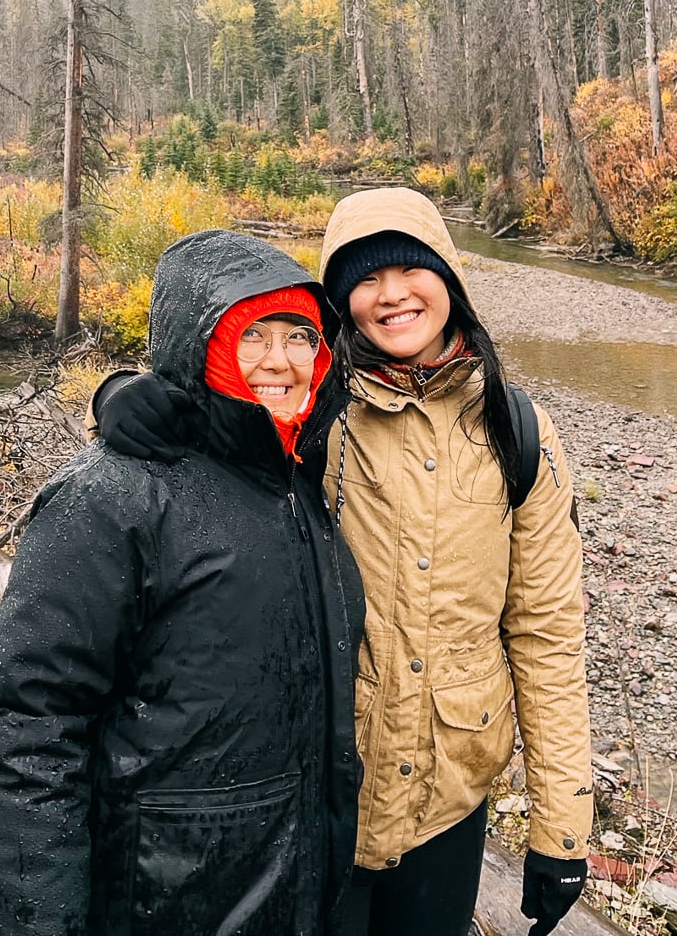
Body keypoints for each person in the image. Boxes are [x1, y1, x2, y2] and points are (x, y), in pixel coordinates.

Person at [96, 190, 592, 936]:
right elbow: (201, 423)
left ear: (449, 279)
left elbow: (547, 633)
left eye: (410, 270)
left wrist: (562, 829)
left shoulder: (518, 430)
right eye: (365, 279)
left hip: (448, 800)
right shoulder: (308, 407)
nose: (391, 294)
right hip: (320, 787)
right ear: (340, 303)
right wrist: (119, 396)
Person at [0, 228, 364, 936]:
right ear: (202, 346)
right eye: (254, 336)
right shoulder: (110, 498)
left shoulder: (298, 479)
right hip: (162, 901)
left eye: (299, 336)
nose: (280, 361)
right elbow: (31, 725)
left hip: (293, 890)